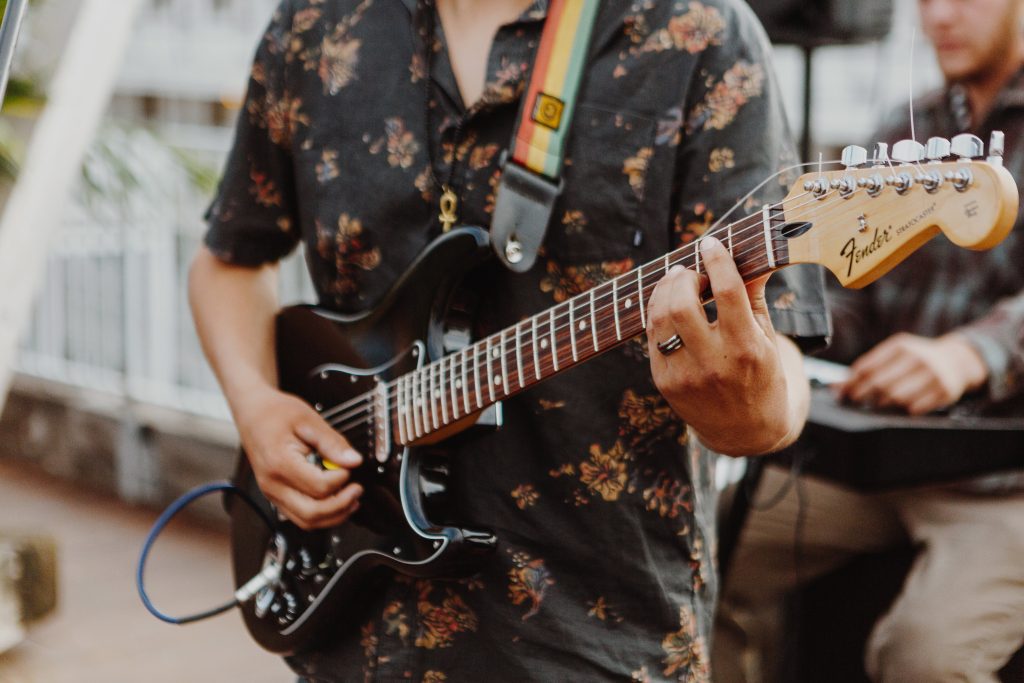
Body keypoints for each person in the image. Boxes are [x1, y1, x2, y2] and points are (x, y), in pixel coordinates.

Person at [189, 0, 829, 680]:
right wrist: (255, 405)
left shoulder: (695, 29)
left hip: (595, 637)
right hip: (357, 631)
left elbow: (778, 375)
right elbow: (228, 260)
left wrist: (750, 407)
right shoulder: (315, 23)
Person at [714, 0, 1024, 680]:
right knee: (708, 557)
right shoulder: (903, 129)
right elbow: (851, 297)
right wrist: (781, 324)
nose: (940, 16)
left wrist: (972, 352)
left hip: (1005, 483)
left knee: (924, 654)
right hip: (882, 459)